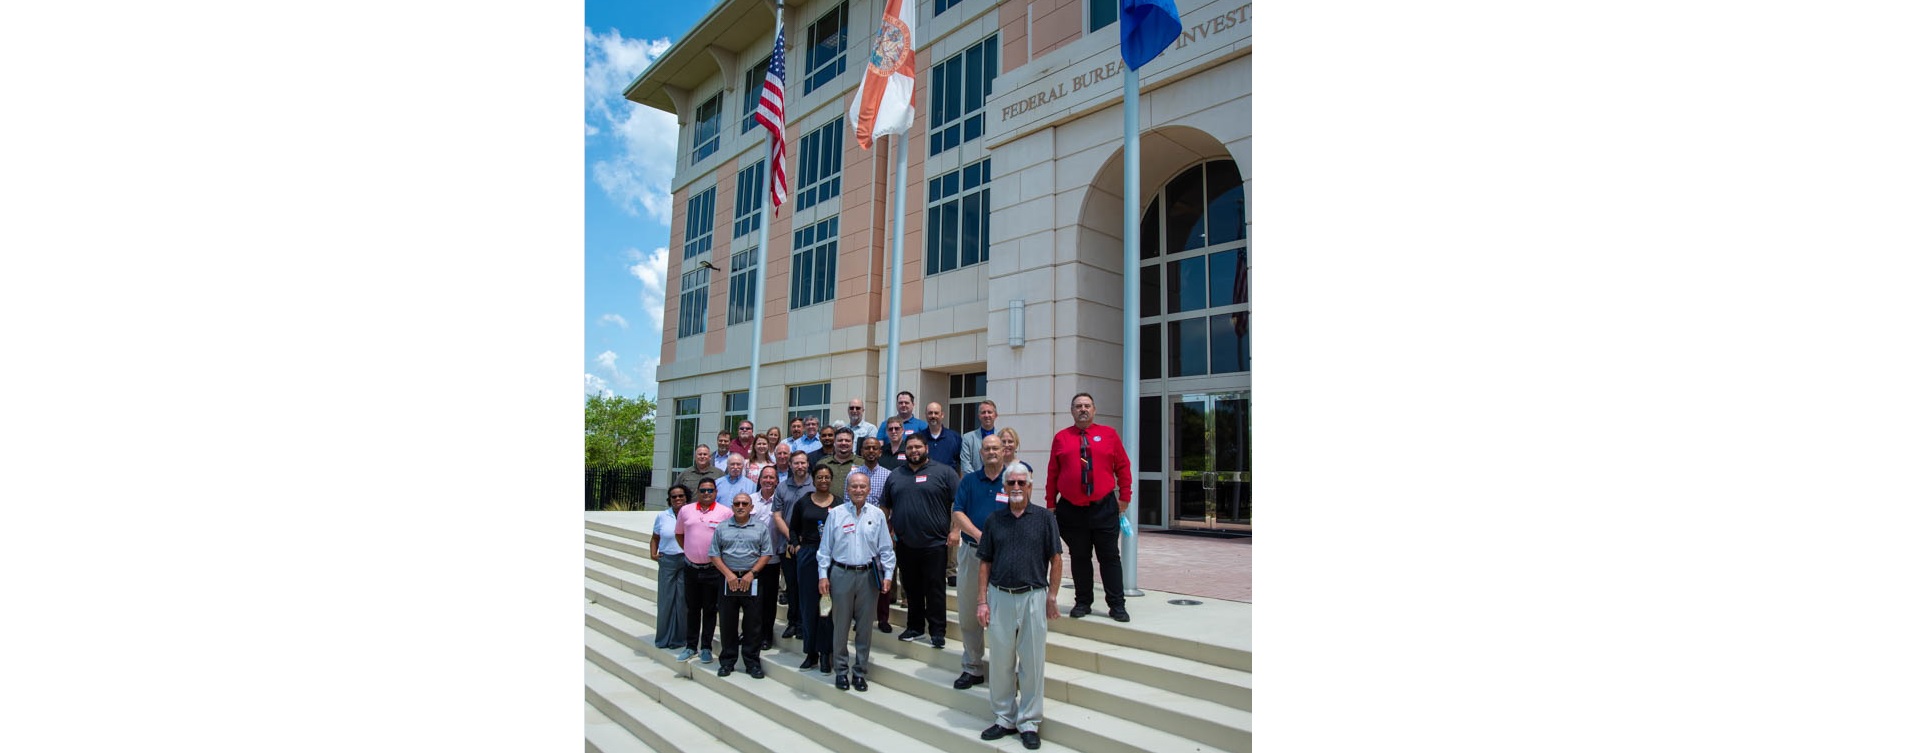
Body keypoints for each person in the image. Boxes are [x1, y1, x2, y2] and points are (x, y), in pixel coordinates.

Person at [975, 462, 1062, 750]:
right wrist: (982, 601)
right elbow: (985, 562)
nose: (1015, 487)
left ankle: (1029, 721)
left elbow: (1056, 559)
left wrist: (1052, 596)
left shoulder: (1045, 519)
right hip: (1000, 597)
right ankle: (1004, 718)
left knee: (1032, 663)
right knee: (1001, 662)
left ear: (1030, 486)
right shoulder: (994, 520)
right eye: (1011, 482)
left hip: (1033, 597)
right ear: (1004, 487)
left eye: (1020, 483)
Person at [1045, 392, 1132, 622]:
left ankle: (1117, 605)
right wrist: (1050, 503)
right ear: (1072, 411)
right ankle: (1083, 602)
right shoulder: (1061, 438)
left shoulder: (1109, 435)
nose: (1082, 409)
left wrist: (1125, 496)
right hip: (1072, 510)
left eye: (1086, 406)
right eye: (1078, 406)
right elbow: (1053, 472)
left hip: (1103, 507)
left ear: (1094, 409)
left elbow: (1123, 467)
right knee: (1079, 557)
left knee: (1109, 557)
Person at [817, 469, 896, 692]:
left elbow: (886, 549)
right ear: (847, 489)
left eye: (862, 486)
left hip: (868, 576)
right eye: (854, 486)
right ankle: (841, 671)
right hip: (840, 574)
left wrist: (888, 575)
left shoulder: (877, 515)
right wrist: (823, 575)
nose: (858, 490)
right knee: (840, 626)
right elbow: (825, 549)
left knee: (864, 627)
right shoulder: (836, 514)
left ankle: (860, 672)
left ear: (869, 490)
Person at [879, 433, 960, 648]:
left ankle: (937, 631)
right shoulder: (895, 475)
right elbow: (885, 505)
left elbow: (959, 503)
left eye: (918, 447)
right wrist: (886, 531)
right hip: (905, 542)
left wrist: (956, 530)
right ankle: (914, 627)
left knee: (935, 589)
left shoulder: (944, 472)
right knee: (911, 588)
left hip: (935, 543)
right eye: (910, 447)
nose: (914, 451)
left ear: (926, 448)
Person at [950, 433, 1008, 689]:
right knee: (969, 612)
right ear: (981, 453)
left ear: (1003, 451)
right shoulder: (969, 481)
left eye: (996, 448)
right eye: (987, 449)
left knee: (1004, 616)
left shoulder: (1012, 479)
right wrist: (978, 535)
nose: (991, 452)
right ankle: (972, 667)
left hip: (1005, 557)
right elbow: (957, 512)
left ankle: (1004, 671)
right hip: (973, 553)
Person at [710, 492, 773, 679]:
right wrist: (729, 575)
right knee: (728, 622)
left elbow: (766, 553)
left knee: (753, 624)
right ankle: (727, 662)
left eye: (744, 503)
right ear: (732, 507)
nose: (740, 506)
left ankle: (752, 663)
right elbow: (714, 554)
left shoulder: (761, 528)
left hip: (751, 579)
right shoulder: (722, 527)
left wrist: (751, 574)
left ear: (751, 507)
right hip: (728, 579)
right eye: (737, 503)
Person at [786, 465, 839, 672]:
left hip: (832, 556)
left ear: (831, 479)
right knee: (808, 605)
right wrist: (797, 546)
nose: (823, 481)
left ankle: (826, 652)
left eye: (826, 477)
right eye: (819, 477)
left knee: (826, 606)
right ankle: (811, 652)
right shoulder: (803, 502)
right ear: (813, 479)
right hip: (808, 555)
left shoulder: (839, 504)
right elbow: (793, 528)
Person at [674, 477, 733, 663]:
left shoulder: (725, 512)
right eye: (703, 490)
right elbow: (679, 534)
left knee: (709, 609)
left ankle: (706, 647)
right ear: (697, 492)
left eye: (710, 490)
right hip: (691, 568)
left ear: (716, 492)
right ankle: (691, 646)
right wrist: (690, 551)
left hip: (713, 570)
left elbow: (729, 538)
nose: (706, 493)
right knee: (692, 609)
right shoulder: (686, 510)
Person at [771, 453, 814, 638]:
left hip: (809, 545)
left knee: (807, 586)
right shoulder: (782, 487)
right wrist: (792, 538)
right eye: (796, 463)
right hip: (787, 544)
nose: (800, 466)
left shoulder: (814, 485)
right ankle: (793, 622)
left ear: (808, 464)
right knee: (791, 585)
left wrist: (802, 539)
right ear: (790, 465)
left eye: (803, 462)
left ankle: (805, 623)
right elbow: (777, 516)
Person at [749, 465, 790, 650]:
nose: (768, 480)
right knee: (751, 600)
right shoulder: (750, 500)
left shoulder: (780, 502)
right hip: (751, 560)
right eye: (765, 477)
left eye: (772, 478)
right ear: (760, 480)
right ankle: (751, 633)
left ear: (777, 481)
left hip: (772, 559)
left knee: (768, 600)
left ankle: (766, 635)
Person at [649, 484, 693, 650]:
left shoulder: (691, 514)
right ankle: (663, 638)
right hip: (667, 560)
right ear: (670, 499)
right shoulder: (662, 516)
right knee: (666, 600)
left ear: (686, 497)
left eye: (681, 496)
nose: (678, 499)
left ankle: (679, 638)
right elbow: (655, 537)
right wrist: (653, 553)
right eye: (674, 496)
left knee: (682, 601)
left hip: (686, 560)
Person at [815, 427, 860, 498]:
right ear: (834, 442)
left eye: (847, 440)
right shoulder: (822, 463)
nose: (843, 443)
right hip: (827, 503)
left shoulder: (862, 463)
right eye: (840, 440)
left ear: (852, 443)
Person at [958, 400, 1000, 475]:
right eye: (983, 412)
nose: (986, 415)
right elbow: (965, 466)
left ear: (995, 415)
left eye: (989, 412)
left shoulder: (1001, 437)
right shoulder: (968, 438)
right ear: (979, 416)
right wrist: (977, 480)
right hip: (974, 481)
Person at [852, 436, 892, 507]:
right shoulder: (852, 475)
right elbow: (847, 500)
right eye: (867, 448)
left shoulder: (888, 475)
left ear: (880, 452)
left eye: (875, 448)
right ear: (861, 452)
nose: (871, 451)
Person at [922, 401, 963, 469]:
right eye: (930, 413)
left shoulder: (955, 437)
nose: (933, 416)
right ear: (926, 415)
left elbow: (961, 463)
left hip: (948, 475)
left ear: (942, 415)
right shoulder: (919, 438)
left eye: (936, 413)